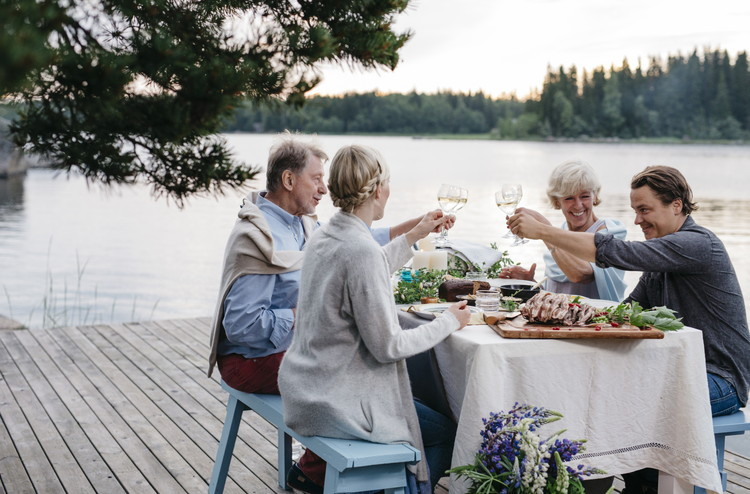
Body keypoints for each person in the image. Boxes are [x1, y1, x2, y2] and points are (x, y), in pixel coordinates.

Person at [206, 135, 454, 493]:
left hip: (300, 361)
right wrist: (308, 313)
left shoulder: (308, 228)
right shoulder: (260, 234)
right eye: (316, 178)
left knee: (393, 379)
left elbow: (362, 247)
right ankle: (338, 473)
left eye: (326, 179)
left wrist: (416, 231)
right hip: (255, 360)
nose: (323, 189)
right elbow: (243, 327)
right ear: (289, 180)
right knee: (396, 386)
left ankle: (319, 472)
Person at [508, 165, 750, 494]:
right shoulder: (662, 262)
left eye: (645, 210)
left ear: (676, 205)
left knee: (631, 407)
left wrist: (545, 232)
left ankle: (635, 487)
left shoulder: (697, 244)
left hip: (722, 380)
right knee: (601, 395)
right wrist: (548, 307)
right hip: (679, 372)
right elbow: (626, 312)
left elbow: (619, 252)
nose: (637, 220)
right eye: (636, 211)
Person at [278, 144, 471, 494]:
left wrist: (415, 235)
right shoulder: (359, 249)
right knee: (446, 435)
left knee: (423, 414)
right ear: (379, 189)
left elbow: (368, 268)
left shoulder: (327, 234)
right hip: (335, 400)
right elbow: (389, 347)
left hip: (306, 384)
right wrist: (448, 323)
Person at [499, 160, 627, 301]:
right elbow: (557, 295)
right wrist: (531, 283)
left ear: (595, 196)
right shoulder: (560, 232)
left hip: (595, 321)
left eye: (584, 196)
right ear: (556, 201)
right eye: (569, 198)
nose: (578, 205)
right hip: (561, 321)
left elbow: (581, 275)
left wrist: (543, 228)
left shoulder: (610, 232)